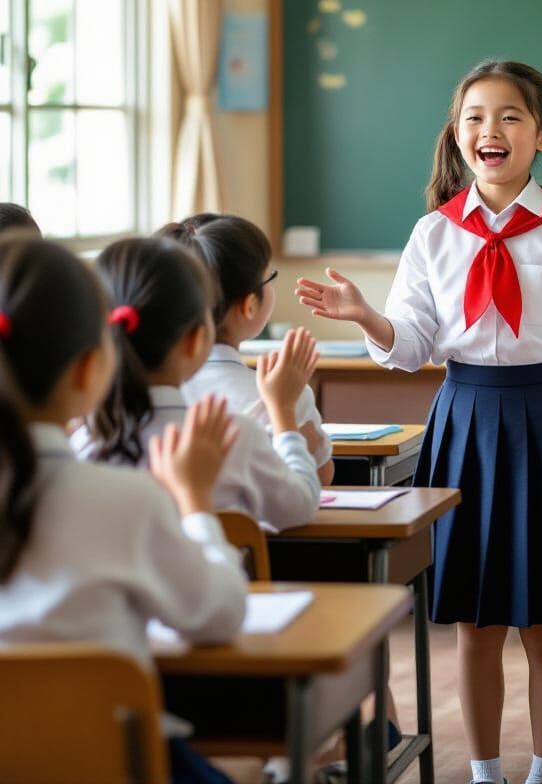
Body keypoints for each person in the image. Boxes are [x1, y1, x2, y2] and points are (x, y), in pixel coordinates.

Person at [295, 60, 542, 784]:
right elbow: (415, 345)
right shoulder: (433, 233)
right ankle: (484, 775)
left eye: (510, 117)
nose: (490, 130)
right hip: (463, 421)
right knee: (474, 624)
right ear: (457, 136)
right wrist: (367, 317)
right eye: (474, 117)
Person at [0, 233, 248, 783]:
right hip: (113, 765)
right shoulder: (125, 501)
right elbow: (218, 615)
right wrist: (197, 502)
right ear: (90, 370)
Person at [72, 237, 320, 531]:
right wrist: (284, 416)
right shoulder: (234, 436)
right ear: (195, 341)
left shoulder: (82, 446)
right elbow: (300, 504)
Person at [160, 213, 334, 485]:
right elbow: (320, 478)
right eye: (269, 277)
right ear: (250, 305)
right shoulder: (285, 395)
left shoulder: (139, 398)